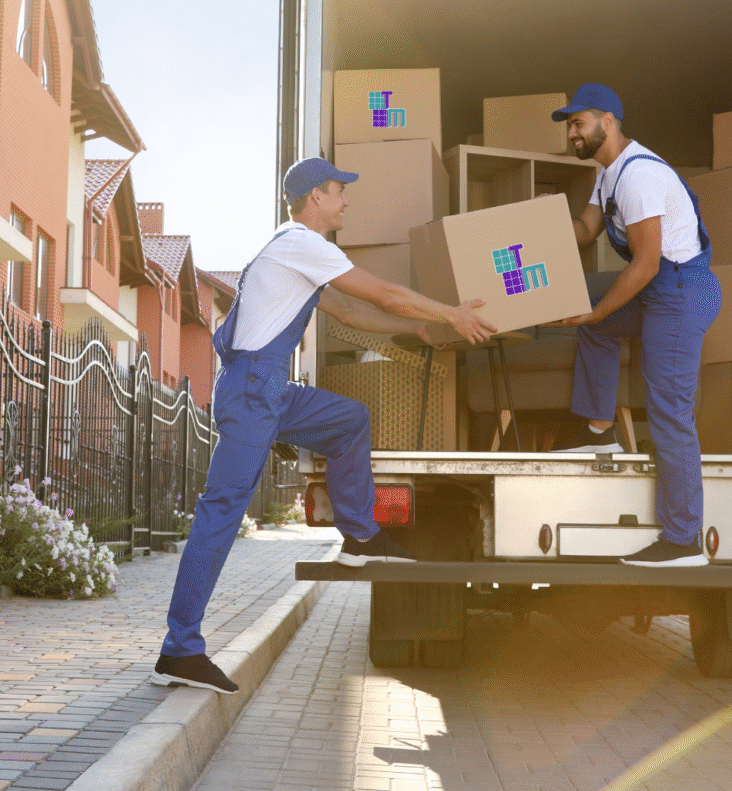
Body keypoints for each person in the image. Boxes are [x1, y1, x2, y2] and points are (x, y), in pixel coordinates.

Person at [151, 156, 497, 693]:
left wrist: (422, 329)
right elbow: (379, 293)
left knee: (348, 421)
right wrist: (452, 314)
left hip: (267, 391)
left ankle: (360, 538)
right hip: (250, 391)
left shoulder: (300, 255)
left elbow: (351, 313)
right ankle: (180, 650)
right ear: (315, 197)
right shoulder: (299, 242)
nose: (346, 201)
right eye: (339, 191)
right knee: (220, 513)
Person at [548, 83, 721, 568]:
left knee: (670, 412)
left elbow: (644, 264)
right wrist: (533, 229)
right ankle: (600, 430)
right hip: (660, 290)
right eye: (569, 127)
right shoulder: (608, 176)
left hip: (681, 293)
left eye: (578, 123)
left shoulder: (638, 176)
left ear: (609, 119)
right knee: (595, 330)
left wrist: (599, 308)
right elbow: (585, 231)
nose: (572, 134)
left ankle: (683, 539)